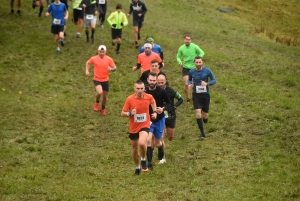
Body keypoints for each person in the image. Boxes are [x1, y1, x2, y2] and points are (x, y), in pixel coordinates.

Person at [121, 80, 157, 175]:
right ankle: (137, 167)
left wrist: (155, 112)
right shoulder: (129, 99)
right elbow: (123, 113)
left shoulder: (148, 97)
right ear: (134, 89)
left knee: (142, 143)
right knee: (135, 149)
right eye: (138, 89)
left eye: (141, 88)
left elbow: (153, 102)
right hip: (134, 127)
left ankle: (143, 159)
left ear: (144, 89)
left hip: (145, 124)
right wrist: (130, 113)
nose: (140, 91)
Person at [145, 72, 171, 170]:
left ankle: (161, 152)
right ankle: (149, 163)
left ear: (156, 81)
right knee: (148, 139)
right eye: (150, 80)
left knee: (157, 142)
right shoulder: (144, 91)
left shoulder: (161, 91)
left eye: (154, 80)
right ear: (147, 80)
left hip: (159, 119)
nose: (152, 82)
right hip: (148, 120)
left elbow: (169, 104)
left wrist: (163, 109)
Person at [156, 74, 183, 164]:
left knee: (170, 137)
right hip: (160, 116)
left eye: (162, 82)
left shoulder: (170, 90)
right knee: (161, 137)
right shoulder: (154, 91)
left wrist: (174, 107)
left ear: (165, 81)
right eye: (158, 82)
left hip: (170, 116)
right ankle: (162, 156)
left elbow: (180, 99)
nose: (160, 84)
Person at [188, 56, 216, 138]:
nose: (198, 64)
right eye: (196, 62)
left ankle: (205, 119)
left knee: (205, 116)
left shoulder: (207, 71)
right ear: (194, 63)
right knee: (198, 113)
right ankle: (202, 133)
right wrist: (190, 84)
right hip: (196, 95)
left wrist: (207, 84)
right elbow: (189, 79)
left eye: (199, 62)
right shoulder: (191, 72)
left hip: (205, 95)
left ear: (202, 62)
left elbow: (214, 80)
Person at [85, 45, 117, 115]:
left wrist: (111, 69)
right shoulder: (94, 58)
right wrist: (87, 70)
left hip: (105, 80)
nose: (101, 53)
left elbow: (115, 68)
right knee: (99, 92)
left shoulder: (109, 59)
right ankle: (97, 102)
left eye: (103, 52)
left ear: (105, 52)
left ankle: (103, 108)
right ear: (98, 51)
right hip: (97, 79)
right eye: (100, 52)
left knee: (105, 96)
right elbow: (88, 62)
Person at [176, 34, 205, 104]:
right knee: (186, 84)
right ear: (184, 40)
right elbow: (178, 57)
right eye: (186, 39)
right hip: (186, 68)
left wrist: (197, 59)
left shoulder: (194, 46)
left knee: (194, 84)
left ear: (191, 40)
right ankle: (188, 99)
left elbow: (202, 53)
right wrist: (180, 62)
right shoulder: (181, 48)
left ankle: (198, 97)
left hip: (194, 68)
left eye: (189, 40)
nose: (187, 41)